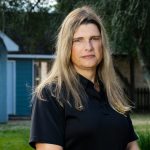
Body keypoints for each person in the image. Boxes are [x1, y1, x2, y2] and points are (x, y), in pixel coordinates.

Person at [29, 6, 139, 150]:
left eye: (94, 38)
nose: (88, 47)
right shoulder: (50, 94)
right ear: (67, 46)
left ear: (102, 44)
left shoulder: (114, 93)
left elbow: (131, 145)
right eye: (78, 40)